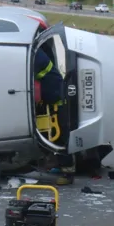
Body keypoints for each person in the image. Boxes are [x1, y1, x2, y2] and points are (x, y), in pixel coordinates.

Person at [34, 47, 76, 185]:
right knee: (54, 135)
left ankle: (68, 173)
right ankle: (57, 164)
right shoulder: (36, 54)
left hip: (56, 100)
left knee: (60, 136)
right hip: (53, 99)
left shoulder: (34, 57)